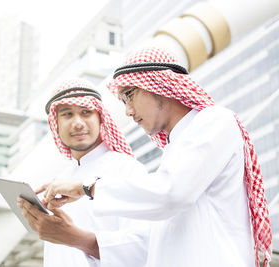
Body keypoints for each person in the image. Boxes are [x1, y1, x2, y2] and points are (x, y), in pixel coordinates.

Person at [41, 48, 272, 267]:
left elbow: (171, 193)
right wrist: (73, 238)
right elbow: (149, 244)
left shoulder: (214, 122)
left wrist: (87, 188)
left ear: (159, 84)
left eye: (129, 96)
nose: (128, 111)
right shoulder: (175, 151)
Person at [18, 78, 150, 267]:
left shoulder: (126, 168)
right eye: (67, 114)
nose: (78, 123)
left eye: (86, 112)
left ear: (100, 118)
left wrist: (74, 237)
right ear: (55, 124)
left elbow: (142, 249)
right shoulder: (61, 179)